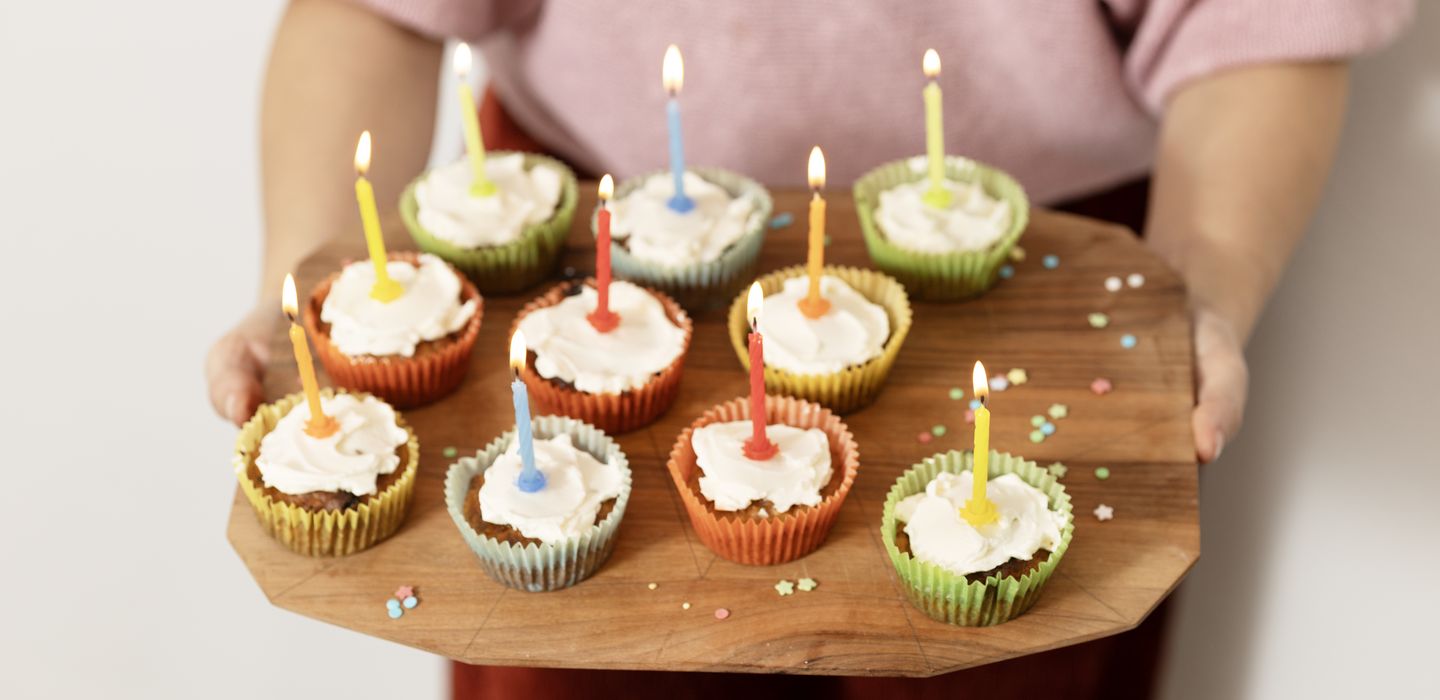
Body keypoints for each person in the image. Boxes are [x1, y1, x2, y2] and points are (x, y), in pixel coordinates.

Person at [206, 0, 1413, 696]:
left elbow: (1261, 26)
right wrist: (303, 279)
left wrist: (1199, 274)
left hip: (1039, 298)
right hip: (582, 253)